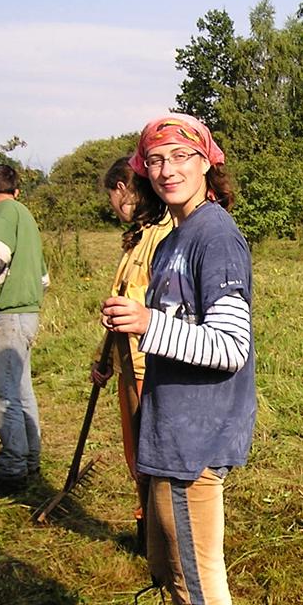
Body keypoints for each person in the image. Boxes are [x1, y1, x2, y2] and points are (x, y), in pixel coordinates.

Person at [101, 114, 259, 605]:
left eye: (180, 157)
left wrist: (147, 324)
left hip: (197, 435)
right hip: (168, 427)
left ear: (205, 163)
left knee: (197, 582)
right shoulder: (173, 236)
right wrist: (134, 323)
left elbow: (229, 347)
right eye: (156, 160)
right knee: (169, 565)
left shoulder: (215, 237)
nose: (167, 170)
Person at [90, 159, 173, 549]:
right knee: (136, 454)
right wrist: (104, 359)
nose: (113, 206)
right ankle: (148, 529)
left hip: (149, 365)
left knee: (151, 457)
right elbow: (121, 299)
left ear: (123, 188)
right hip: (128, 364)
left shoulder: (163, 234)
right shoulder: (138, 237)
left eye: (112, 196)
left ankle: (160, 537)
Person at [0, 164, 49, 501]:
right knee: (22, 391)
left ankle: (12, 472)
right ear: (17, 190)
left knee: (2, 394)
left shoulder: (4, 213)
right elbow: (43, 278)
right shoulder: (26, 216)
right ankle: (30, 461)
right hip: (28, 313)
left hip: (9, 315)